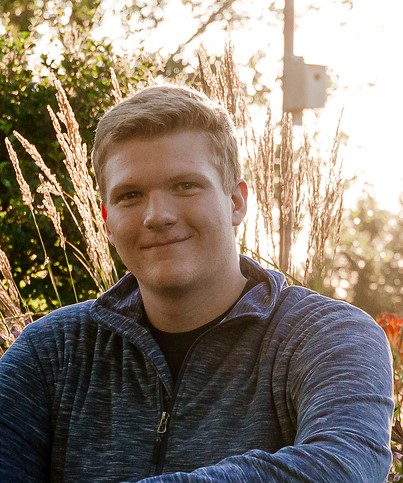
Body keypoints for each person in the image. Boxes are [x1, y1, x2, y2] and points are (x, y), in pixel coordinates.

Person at [0, 84, 394, 482]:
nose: (157, 215)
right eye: (130, 195)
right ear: (106, 218)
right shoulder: (51, 352)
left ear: (237, 202)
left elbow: (342, 466)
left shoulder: (329, 336)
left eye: (185, 185)